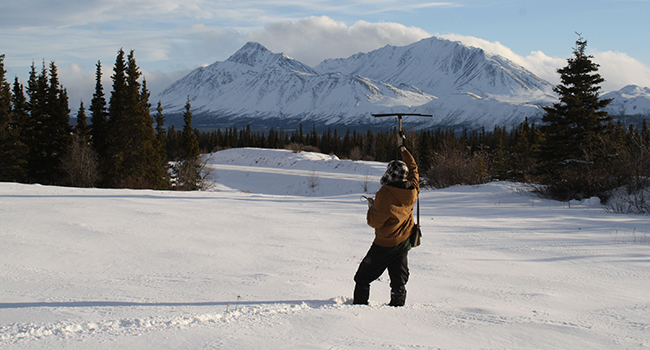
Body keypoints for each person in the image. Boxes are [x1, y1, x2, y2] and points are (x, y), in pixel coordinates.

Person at [353, 141, 419, 307]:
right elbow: (414, 169)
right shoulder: (413, 190)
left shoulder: (385, 194)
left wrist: (371, 207)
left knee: (362, 278)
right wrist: (403, 149)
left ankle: (359, 308)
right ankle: (397, 308)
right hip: (403, 242)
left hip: (383, 245)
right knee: (399, 281)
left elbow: (374, 221)